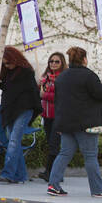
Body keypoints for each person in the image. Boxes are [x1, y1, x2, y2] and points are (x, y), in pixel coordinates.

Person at [47, 46, 102, 198]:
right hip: (86, 123)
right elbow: (101, 94)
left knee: (64, 153)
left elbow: (58, 102)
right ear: (84, 59)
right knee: (90, 156)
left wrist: (58, 124)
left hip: (66, 123)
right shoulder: (88, 76)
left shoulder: (62, 77)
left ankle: (53, 185)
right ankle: (98, 189)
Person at [0, 46, 42, 184]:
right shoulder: (7, 73)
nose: (7, 66)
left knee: (14, 141)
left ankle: (8, 173)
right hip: (10, 110)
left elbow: (30, 92)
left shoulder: (26, 72)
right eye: (4, 64)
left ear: (14, 59)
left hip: (23, 109)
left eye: (8, 62)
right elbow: (7, 89)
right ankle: (21, 175)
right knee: (13, 142)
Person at [39, 51, 65, 181]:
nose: (53, 64)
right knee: (50, 143)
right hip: (47, 115)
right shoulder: (46, 78)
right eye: (51, 61)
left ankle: (50, 172)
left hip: (58, 116)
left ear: (62, 63)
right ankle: (55, 172)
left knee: (55, 145)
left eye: (57, 61)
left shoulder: (63, 78)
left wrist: (45, 95)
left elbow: (61, 97)